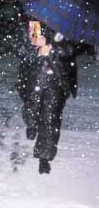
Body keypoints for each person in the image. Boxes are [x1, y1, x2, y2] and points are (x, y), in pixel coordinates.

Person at [14, 18, 77, 174]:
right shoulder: (35, 24)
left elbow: (71, 50)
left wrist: (52, 48)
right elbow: (21, 51)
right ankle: (32, 124)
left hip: (57, 79)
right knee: (31, 109)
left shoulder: (67, 26)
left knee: (50, 118)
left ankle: (44, 157)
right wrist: (37, 50)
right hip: (34, 77)